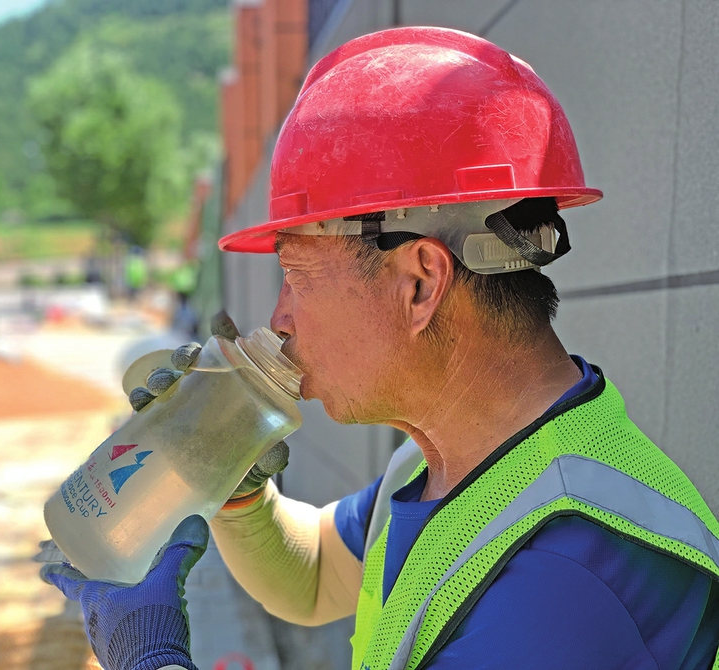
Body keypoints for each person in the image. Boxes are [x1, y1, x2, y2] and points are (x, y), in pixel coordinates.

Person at [42, 27, 719, 669]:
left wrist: (149, 656)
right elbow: (312, 578)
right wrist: (234, 490)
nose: (277, 320)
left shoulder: (569, 576)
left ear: (419, 282)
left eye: (295, 276)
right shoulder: (451, 460)